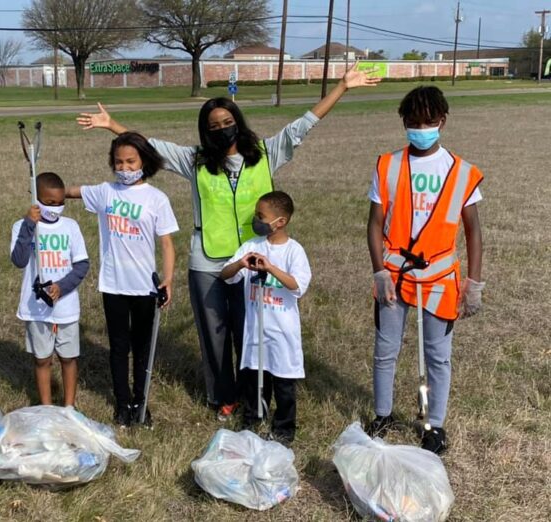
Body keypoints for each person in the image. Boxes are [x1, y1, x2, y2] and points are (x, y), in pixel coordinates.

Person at [76, 63, 380, 421]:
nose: (221, 129)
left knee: (251, 332)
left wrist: (342, 86)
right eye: (213, 126)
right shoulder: (197, 162)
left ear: (238, 120)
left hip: (253, 261)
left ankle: (255, 396)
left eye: (226, 122)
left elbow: (306, 123)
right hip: (208, 262)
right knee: (215, 335)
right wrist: (113, 126)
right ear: (205, 131)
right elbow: (151, 148)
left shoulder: (267, 154)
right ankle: (223, 396)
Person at [366, 86, 484, 454]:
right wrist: (378, 271)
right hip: (394, 274)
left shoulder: (461, 172)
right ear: (403, 122)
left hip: (440, 277)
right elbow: (374, 224)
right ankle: (383, 414)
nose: (421, 129)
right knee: (386, 349)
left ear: (442, 122)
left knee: (438, 354)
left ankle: (434, 424)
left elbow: (473, 230)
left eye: (428, 122)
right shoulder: (388, 165)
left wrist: (474, 282)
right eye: (413, 123)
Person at [65, 131, 178, 428]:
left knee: (142, 347)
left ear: (144, 161)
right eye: (119, 162)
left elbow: (166, 243)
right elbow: (68, 191)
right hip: (113, 284)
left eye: (131, 162)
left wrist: (168, 279)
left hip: (144, 285)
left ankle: (141, 401)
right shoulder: (105, 192)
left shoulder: (156, 198)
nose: (124, 168)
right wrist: (45, 188)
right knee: (119, 346)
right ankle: (122, 401)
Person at [220, 191, 310, 444]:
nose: (257, 221)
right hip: (255, 329)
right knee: (254, 378)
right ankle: (252, 418)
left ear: (280, 222)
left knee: (283, 382)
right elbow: (224, 275)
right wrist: (240, 265)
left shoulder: (294, 251)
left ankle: (283, 428)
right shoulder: (251, 246)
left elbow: (297, 286)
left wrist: (271, 268)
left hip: (282, 331)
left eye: (261, 216)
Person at [11, 172, 89, 408]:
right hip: (36, 308)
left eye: (59, 203)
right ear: (35, 198)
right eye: (49, 203)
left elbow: (82, 264)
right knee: (42, 358)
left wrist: (62, 287)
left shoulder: (70, 227)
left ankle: (69, 405)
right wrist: (28, 227)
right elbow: (19, 260)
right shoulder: (21, 226)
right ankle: (46, 406)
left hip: (65, 306)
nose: (55, 208)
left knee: (68, 357)